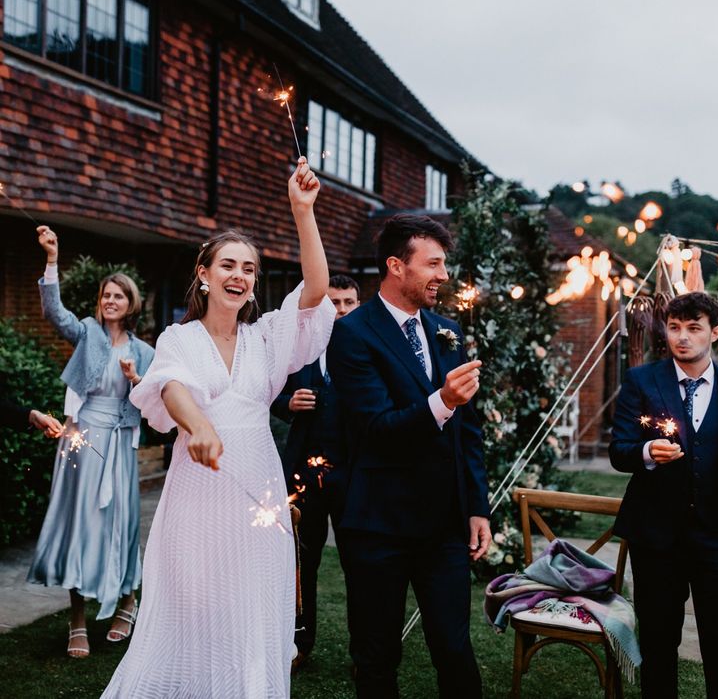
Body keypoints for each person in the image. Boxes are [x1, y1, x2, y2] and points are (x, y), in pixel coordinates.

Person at [101, 157, 335, 698]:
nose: (239, 275)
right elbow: (171, 386)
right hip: (198, 491)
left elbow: (317, 290)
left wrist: (304, 212)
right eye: (227, 265)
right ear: (204, 275)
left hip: (258, 485)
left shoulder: (269, 337)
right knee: (197, 607)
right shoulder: (178, 339)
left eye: (249, 268)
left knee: (254, 610)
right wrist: (198, 424)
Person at [326, 214, 492, 699]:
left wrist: (477, 506)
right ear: (397, 266)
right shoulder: (352, 334)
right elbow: (376, 430)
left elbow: (470, 431)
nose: (443, 275)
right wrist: (442, 401)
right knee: (377, 656)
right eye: (433, 264)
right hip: (379, 523)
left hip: (443, 525)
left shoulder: (447, 330)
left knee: (455, 650)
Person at [609, 291, 718, 699]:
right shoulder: (642, 381)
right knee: (659, 643)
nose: (682, 337)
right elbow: (619, 451)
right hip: (657, 541)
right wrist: (646, 452)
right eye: (675, 327)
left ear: (715, 332)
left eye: (694, 328)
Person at [27, 226, 155, 659]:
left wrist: (139, 381)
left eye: (118, 296)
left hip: (119, 446)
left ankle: (127, 601)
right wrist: (51, 260)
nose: (109, 301)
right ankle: (77, 619)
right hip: (80, 442)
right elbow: (54, 313)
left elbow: (154, 402)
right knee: (78, 528)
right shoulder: (87, 333)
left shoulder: (145, 352)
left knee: (120, 526)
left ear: (131, 303)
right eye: (105, 295)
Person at [270, 273, 360, 670]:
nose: (340, 310)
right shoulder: (300, 348)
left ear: (358, 305)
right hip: (302, 476)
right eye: (333, 303)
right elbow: (269, 393)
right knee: (301, 562)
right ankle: (299, 644)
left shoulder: (366, 351)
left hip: (353, 473)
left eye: (348, 303)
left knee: (360, 563)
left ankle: (366, 649)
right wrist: (289, 403)